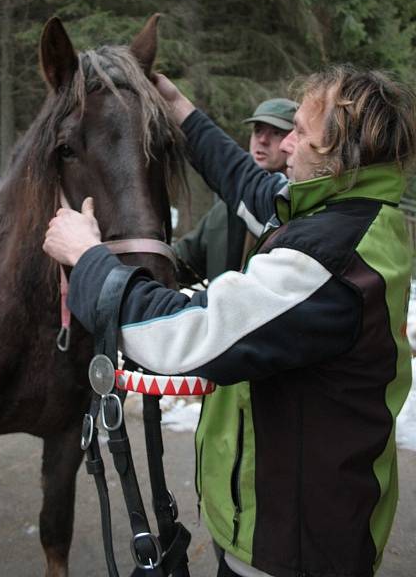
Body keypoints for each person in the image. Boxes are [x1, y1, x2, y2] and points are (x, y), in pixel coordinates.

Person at [43, 65, 416, 577]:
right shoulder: (349, 213)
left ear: (340, 155)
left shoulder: (329, 258)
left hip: (292, 549)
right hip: (298, 524)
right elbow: (242, 180)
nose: (285, 147)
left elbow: (177, 338)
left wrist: (86, 257)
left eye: (300, 135)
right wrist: (177, 105)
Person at [175, 98, 297, 286]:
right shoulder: (223, 210)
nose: (262, 140)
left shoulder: (300, 209)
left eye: (276, 132)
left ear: (293, 140)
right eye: (257, 130)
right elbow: (182, 262)